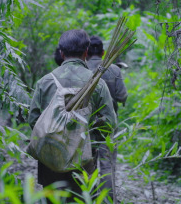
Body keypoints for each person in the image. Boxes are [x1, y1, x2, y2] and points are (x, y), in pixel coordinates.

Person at [28, 30, 117, 203]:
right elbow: (109, 123)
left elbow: (33, 119)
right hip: (84, 161)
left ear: (61, 53)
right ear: (86, 52)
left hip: (49, 159)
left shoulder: (45, 82)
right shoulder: (97, 83)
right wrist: (88, 142)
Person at [86, 35, 128, 201]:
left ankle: (88, 198)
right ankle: (107, 200)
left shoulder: (82, 68)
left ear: (86, 52)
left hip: (85, 124)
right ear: (103, 52)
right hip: (108, 123)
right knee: (106, 164)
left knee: (87, 163)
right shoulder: (114, 69)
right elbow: (122, 96)